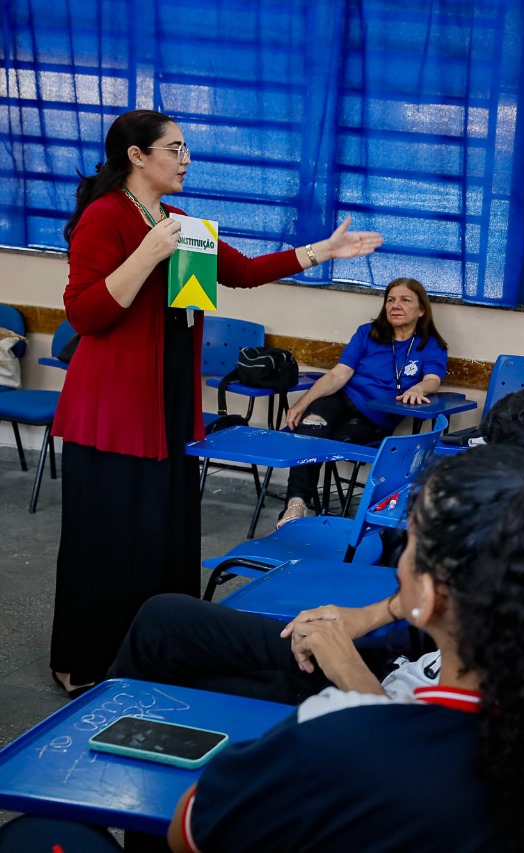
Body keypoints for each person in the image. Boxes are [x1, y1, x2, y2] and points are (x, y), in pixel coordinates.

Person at [2, 446, 524, 853]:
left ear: (432, 596)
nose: (399, 558)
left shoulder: (340, 733)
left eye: (411, 543)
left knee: (34, 834)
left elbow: (186, 831)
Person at [48, 108, 382, 693]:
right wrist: (149, 252)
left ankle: (156, 648)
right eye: (175, 149)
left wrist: (323, 252)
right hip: (115, 408)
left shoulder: (183, 222)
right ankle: (86, 659)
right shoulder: (106, 218)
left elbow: (245, 272)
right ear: (138, 156)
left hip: (169, 401)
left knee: (161, 531)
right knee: (109, 536)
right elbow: (86, 313)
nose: (186, 159)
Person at [107, 384, 524, 705]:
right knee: (165, 620)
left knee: (173, 676)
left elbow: (417, 745)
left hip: (372, 708)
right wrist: (366, 617)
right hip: (391, 677)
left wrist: (343, 662)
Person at [277, 277, 448, 526]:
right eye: (390, 300)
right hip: (342, 398)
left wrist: (419, 387)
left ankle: (310, 509)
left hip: (375, 415)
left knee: (328, 442)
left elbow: (433, 379)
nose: (395, 305)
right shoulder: (367, 333)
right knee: (311, 429)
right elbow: (339, 374)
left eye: (405, 300)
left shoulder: (430, 345)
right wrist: (302, 404)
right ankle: (296, 505)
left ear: (421, 310)